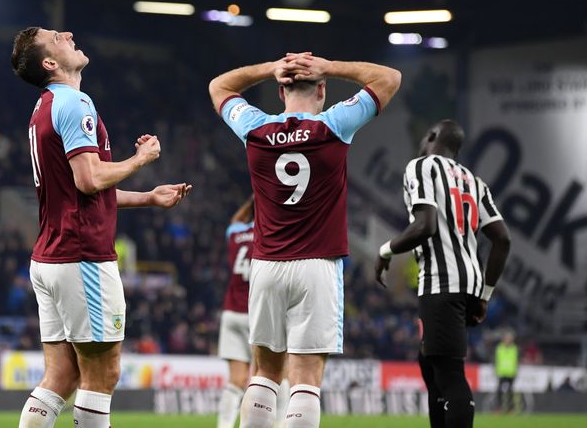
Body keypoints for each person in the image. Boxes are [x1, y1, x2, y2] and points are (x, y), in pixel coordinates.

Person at [11, 27, 192, 428]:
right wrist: (140, 158)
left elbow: (82, 192)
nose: (68, 33)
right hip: (82, 258)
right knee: (102, 375)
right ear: (50, 63)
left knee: (61, 376)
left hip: (52, 257)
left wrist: (147, 196)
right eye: (56, 37)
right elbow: (89, 180)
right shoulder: (75, 103)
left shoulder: (45, 107)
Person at [209, 53, 401, 427]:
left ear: (281, 92)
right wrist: (329, 66)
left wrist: (269, 68)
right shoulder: (333, 125)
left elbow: (220, 86)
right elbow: (389, 78)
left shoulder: (255, 128)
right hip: (317, 265)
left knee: (263, 373)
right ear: (322, 90)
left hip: (266, 268)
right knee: (306, 379)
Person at [375, 120, 512, 428]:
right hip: (468, 285)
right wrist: (485, 295)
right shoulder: (475, 182)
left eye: (426, 135)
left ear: (433, 137)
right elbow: (502, 240)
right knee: (430, 362)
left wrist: (385, 252)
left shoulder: (421, 167)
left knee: (449, 373)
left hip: (441, 282)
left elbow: (425, 225)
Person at [217, 197, 289, 428]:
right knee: (277, 373)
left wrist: (253, 199)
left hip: (231, 314)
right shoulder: (272, 235)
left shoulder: (236, 233)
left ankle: (224, 426)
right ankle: (279, 424)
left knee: (236, 380)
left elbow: (237, 219)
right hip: (259, 311)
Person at [495, 331, 518, 412]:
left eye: (509, 338)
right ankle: (499, 408)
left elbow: (516, 361)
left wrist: (515, 371)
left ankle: (510, 408)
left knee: (510, 392)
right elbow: (496, 360)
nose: (508, 340)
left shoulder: (514, 348)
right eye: (507, 338)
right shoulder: (499, 348)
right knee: (499, 392)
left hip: (511, 373)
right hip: (501, 373)